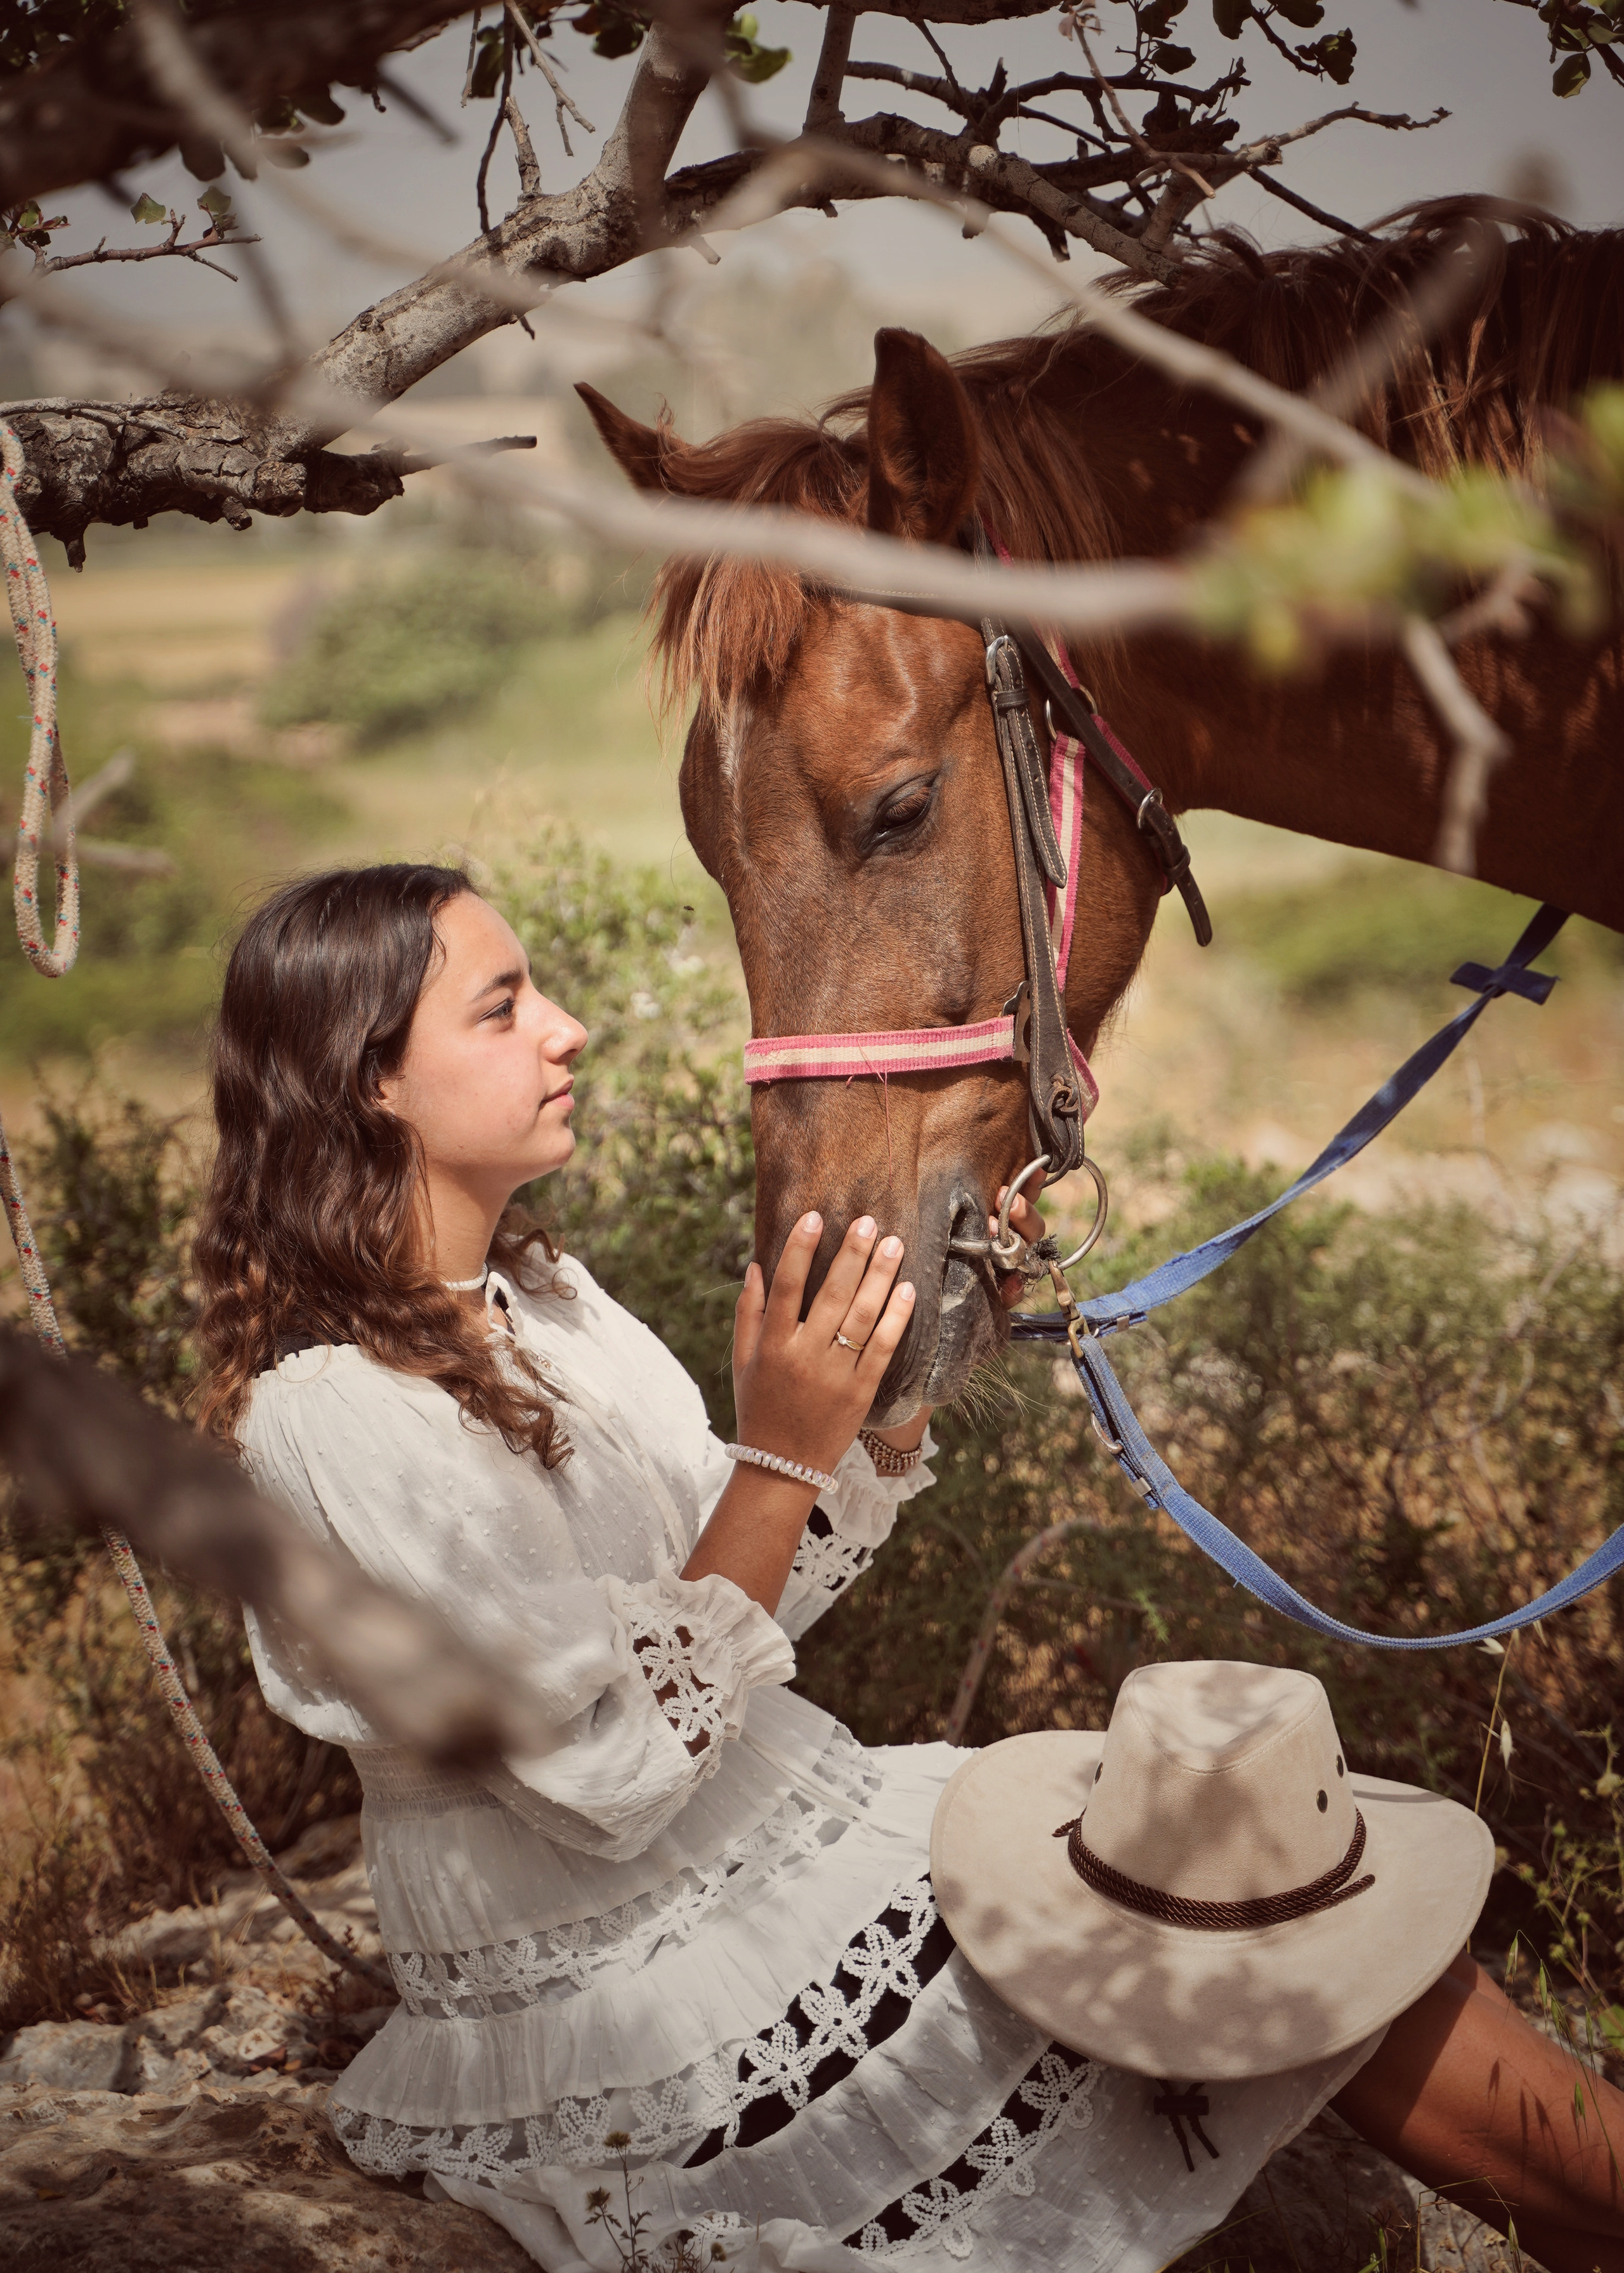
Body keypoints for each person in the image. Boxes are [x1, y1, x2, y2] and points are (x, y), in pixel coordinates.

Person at [198, 862, 1623, 2273]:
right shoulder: (325, 1416)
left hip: (759, 1830)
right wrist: (777, 1451)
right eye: (502, 1010)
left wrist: (892, 1387)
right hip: (625, 1952)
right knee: (1229, 1907)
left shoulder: (552, 1305)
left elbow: (744, 1594)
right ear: (370, 1080)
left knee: (1256, 1864)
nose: (566, 1029)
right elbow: (612, 1771)